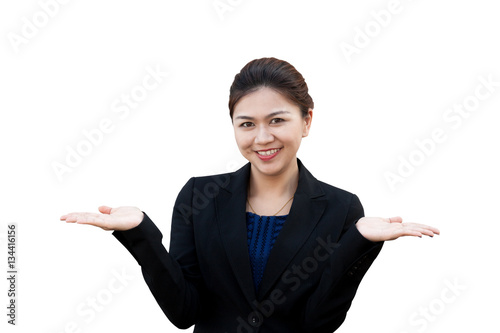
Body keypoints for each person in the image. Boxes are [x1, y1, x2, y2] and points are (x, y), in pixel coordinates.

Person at [60, 57, 439, 333]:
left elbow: (318, 322)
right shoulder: (199, 196)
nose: (262, 138)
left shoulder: (341, 208)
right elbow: (183, 312)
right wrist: (139, 233)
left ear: (307, 121)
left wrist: (359, 243)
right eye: (247, 124)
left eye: (277, 120)